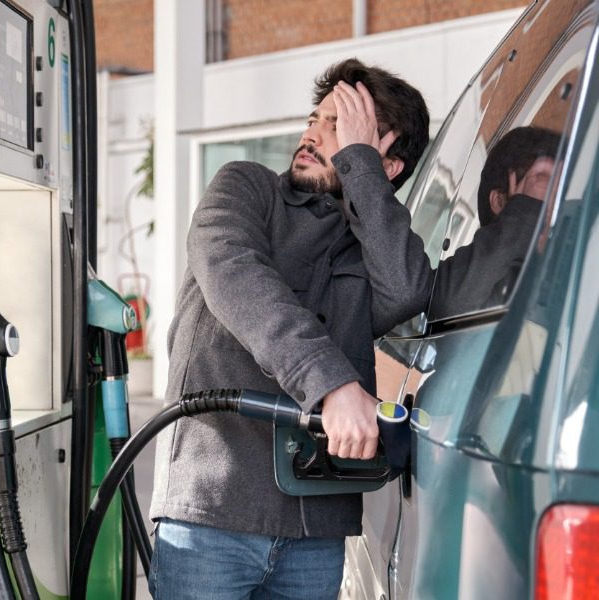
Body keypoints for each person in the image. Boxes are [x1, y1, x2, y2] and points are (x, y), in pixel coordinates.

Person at [148, 58, 432, 600]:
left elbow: (408, 290)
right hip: (213, 510)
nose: (312, 134)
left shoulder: (370, 244)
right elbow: (234, 271)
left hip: (316, 529)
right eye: (315, 118)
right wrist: (332, 384)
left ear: (384, 164)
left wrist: (358, 168)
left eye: (338, 126)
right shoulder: (244, 186)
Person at [429, 126, 560, 319]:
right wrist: (523, 213)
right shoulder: (489, 287)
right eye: (543, 184)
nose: (556, 206)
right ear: (499, 202)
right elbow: (451, 309)